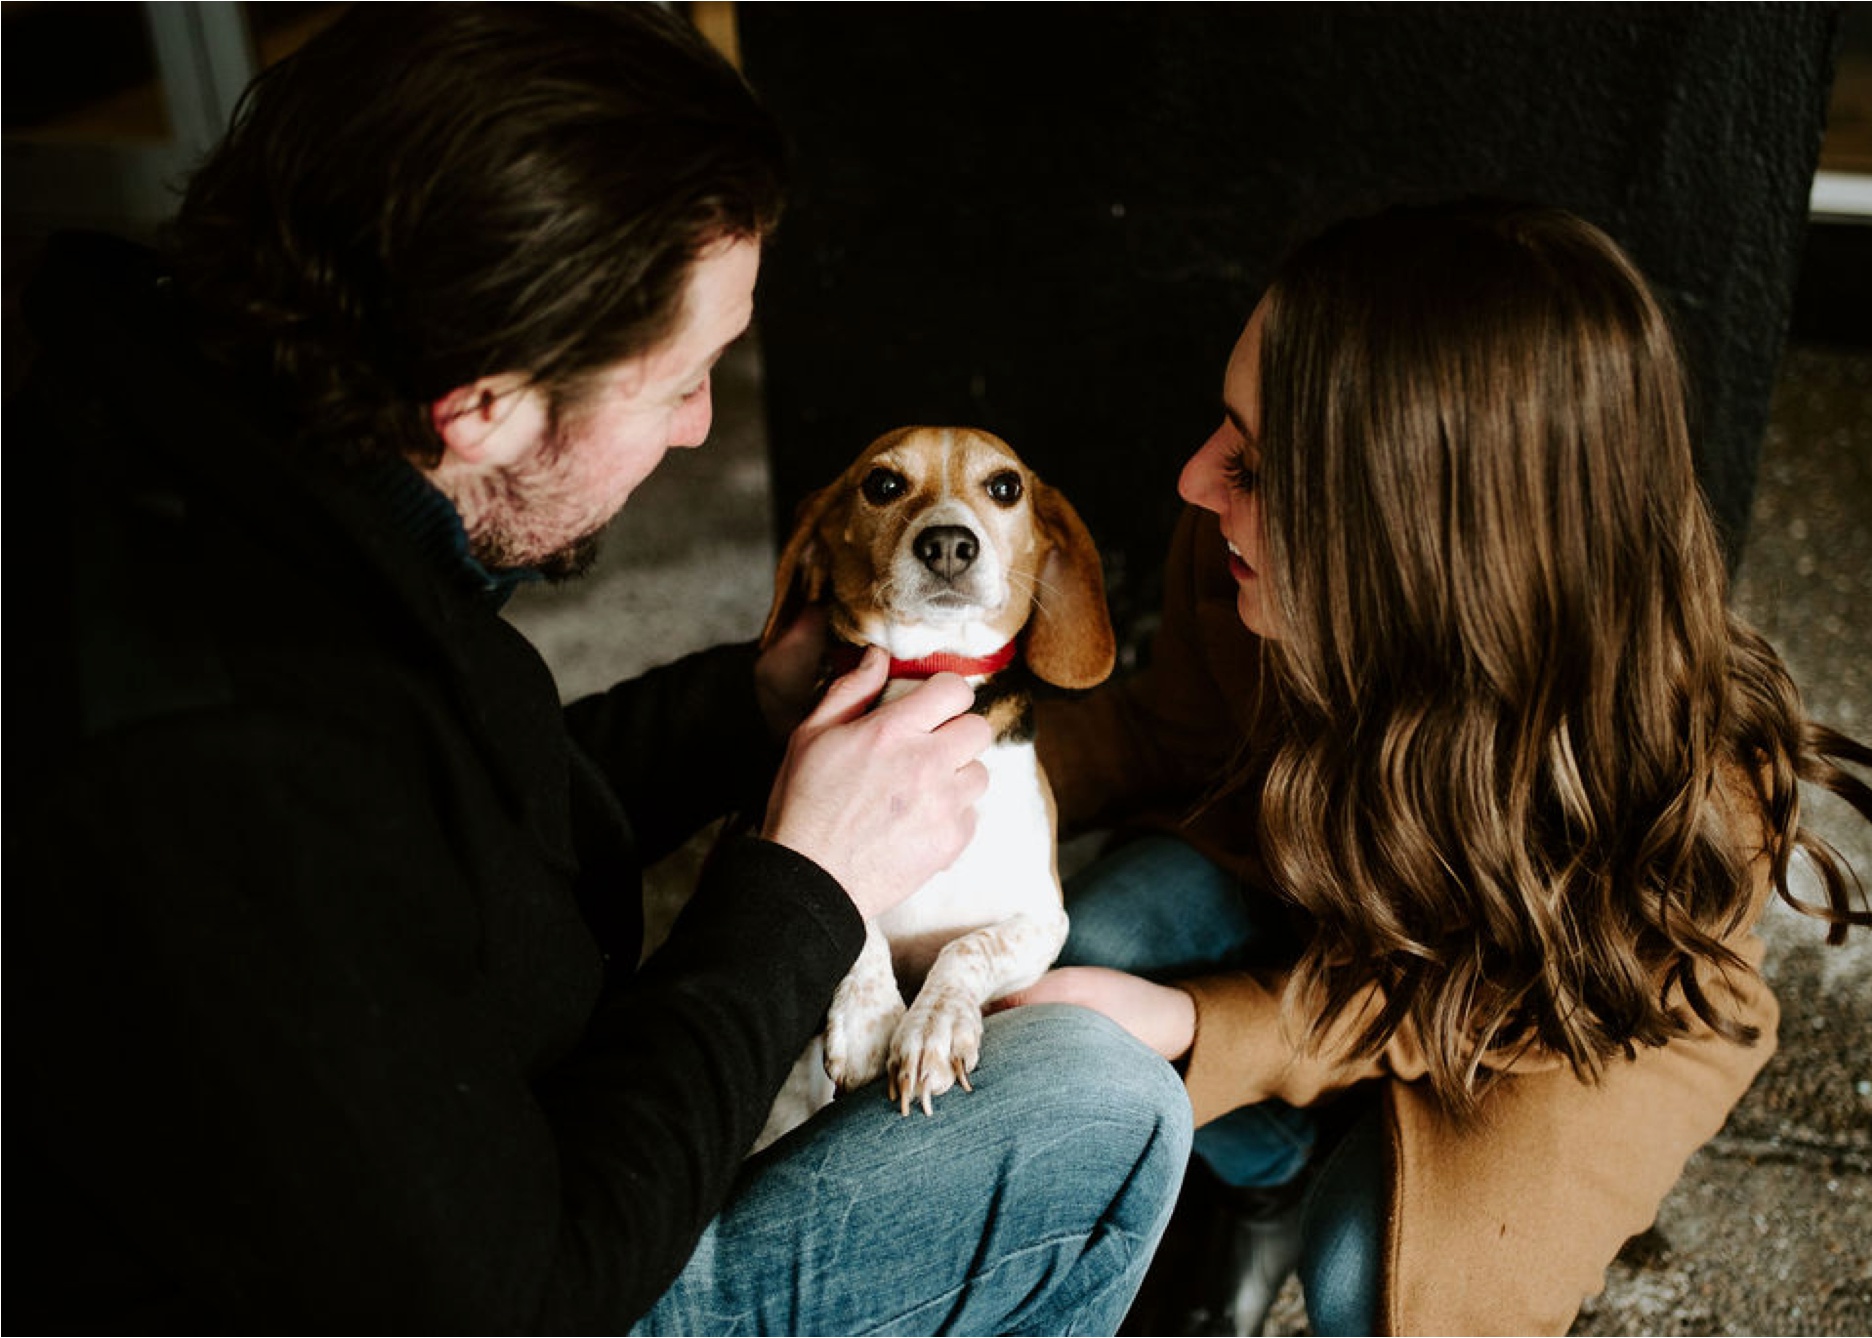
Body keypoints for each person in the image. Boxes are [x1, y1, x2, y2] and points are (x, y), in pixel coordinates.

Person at [3, 5, 1189, 1332]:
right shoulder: (208, 763)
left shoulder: (248, 479)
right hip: (526, 1281)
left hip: (470, 1145)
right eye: (680, 378)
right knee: (1104, 1107)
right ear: (485, 401)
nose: (698, 431)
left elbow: (464, 828)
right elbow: (524, 1292)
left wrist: (740, 708)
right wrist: (803, 894)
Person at [1004, 200, 1872, 1335]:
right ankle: (1265, 1180)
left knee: (1385, 1285)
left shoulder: (1692, 788)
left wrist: (1201, 1026)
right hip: (1352, 907)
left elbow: (1477, 1006)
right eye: (1226, 431)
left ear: (1420, 547)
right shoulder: (1240, 556)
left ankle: (1319, 1177)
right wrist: (961, 784)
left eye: (1259, 469)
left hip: (1572, 1014)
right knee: (1096, 944)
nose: (1191, 481)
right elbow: (1175, 740)